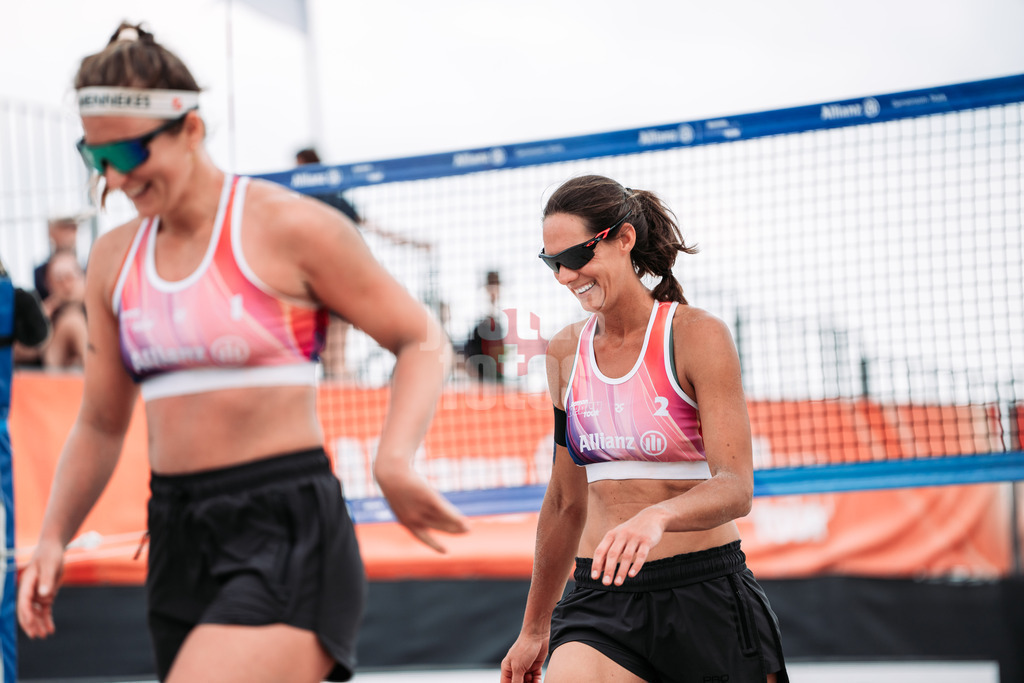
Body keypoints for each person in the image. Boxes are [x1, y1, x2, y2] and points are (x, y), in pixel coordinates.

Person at [17, 22, 467, 683]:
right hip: (176, 534)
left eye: (129, 153)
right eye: (96, 158)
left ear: (191, 129)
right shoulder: (113, 259)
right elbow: (101, 420)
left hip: (286, 525)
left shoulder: (288, 226)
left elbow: (420, 336)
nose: (113, 178)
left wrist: (394, 458)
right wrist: (53, 534)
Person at [501, 175, 787, 683]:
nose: (565, 276)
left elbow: (735, 487)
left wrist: (658, 516)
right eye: (552, 262)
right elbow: (566, 501)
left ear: (623, 238)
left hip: (703, 591)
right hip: (600, 599)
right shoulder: (565, 352)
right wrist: (533, 629)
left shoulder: (696, 335)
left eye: (575, 256)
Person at [294, 146, 360, 381]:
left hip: (332, 286)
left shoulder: (313, 203)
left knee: (334, 357)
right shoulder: (323, 201)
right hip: (325, 287)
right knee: (332, 356)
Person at [40, 249, 88, 370]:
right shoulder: (47, 313)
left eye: (71, 276)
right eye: (59, 279)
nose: (67, 285)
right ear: (48, 283)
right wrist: (39, 322)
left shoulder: (96, 308)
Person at [33, 209, 92, 302]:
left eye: (74, 228)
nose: (71, 233)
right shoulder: (41, 272)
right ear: (51, 232)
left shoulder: (88, 267)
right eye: (65, 227)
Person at [463, 269, 507, 383]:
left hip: (495, 376)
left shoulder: (501, 316)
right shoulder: (481, 318)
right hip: (483, 377)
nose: (494, 292)